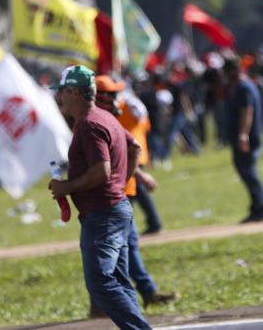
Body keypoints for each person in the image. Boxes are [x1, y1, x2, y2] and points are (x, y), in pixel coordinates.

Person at [48, 65, 151, 329]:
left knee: (99, 281)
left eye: (62, 92)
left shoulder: (89, 125)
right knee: (119, 279)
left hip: (103, 213)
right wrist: (122, 181)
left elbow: (101, 171)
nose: (59, 98)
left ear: (75, 92)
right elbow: (133, 146)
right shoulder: (103, 118)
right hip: (114, 208)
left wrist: (67, 187)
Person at [91, 75, 177, 317]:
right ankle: (111, 301)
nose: (119, 97)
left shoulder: (118, 114)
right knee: (115, 249)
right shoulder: (100, 121)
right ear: (101, 97)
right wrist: (140, 175)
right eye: (113, 93)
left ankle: (140, 294)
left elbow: (136, 140)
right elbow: (119, 154)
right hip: (114, 193)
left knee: (126, 246)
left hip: (123, 189)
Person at [224, 58, 263, 223]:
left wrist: (243, 134)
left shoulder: (244, 88)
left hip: (248, 137)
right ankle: (256, 207)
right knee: (245, 170)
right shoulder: (243, 86)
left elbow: (247, 111)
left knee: (248, 171)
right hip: (244, 136)